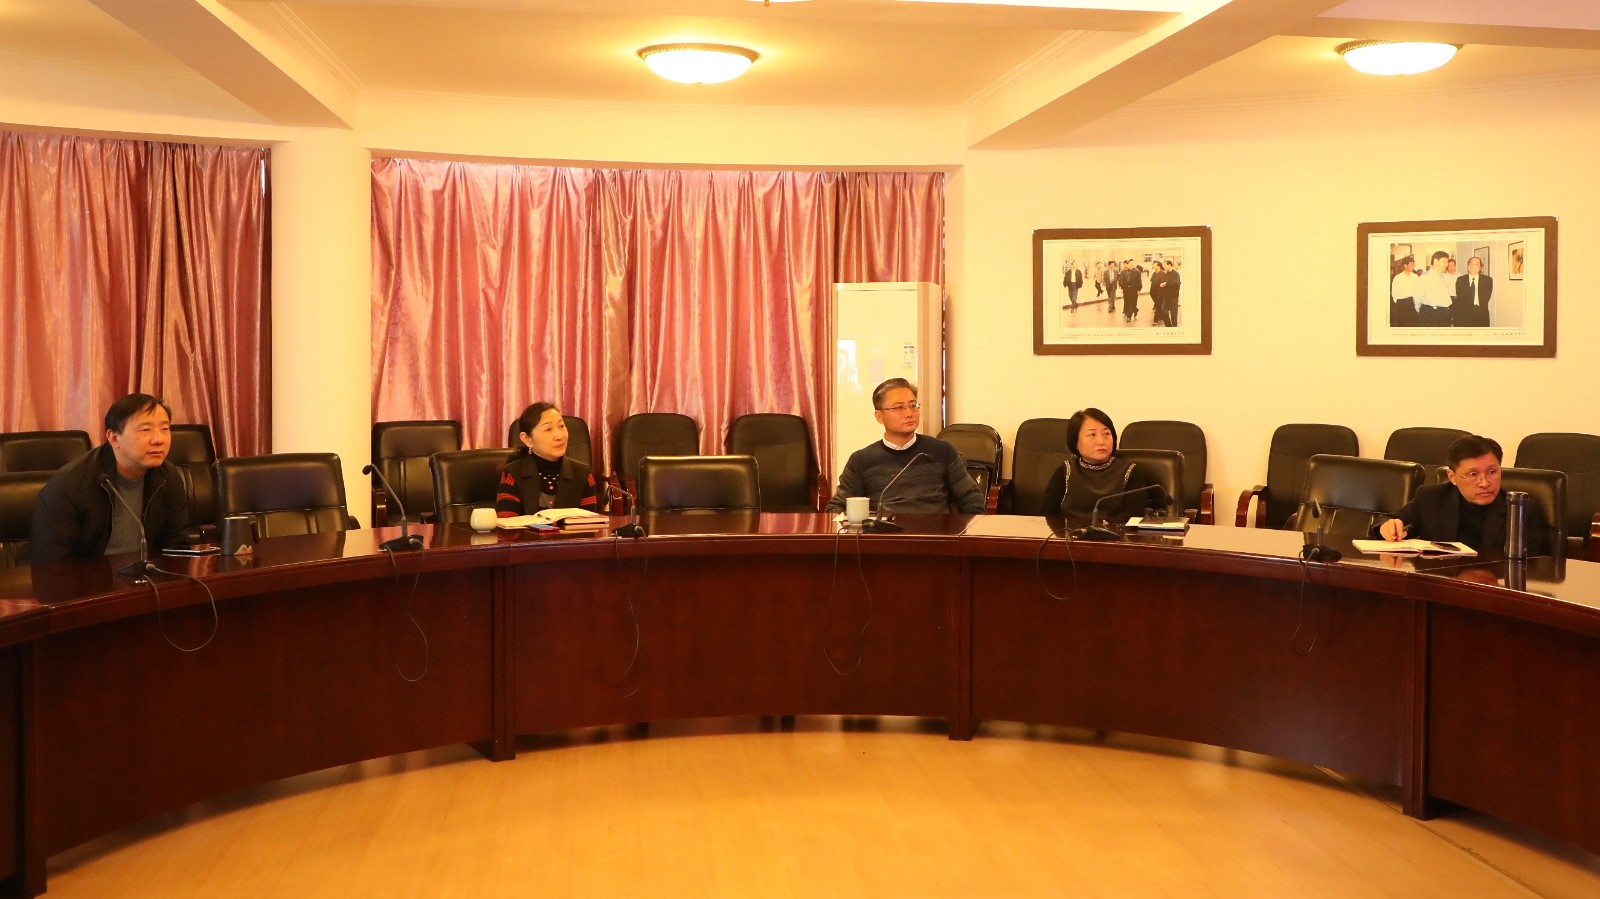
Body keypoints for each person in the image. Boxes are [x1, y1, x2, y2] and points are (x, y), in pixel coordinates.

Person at [29, 393, 190, 563]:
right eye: (145, 430)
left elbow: (177, 546)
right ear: (113, 438)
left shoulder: (168, 477)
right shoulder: (70, 484)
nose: (158, 439)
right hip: (86, 578)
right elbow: (52, 564)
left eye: (165, 429)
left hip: (147, 576)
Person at [824, 378, 985, 516]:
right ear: (879, 416)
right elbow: (835, 507)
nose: (909, 413)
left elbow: (971, 498)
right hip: (883, 537)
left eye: (913, 405)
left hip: (934, 536)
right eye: (899, 407)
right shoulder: (861, 460)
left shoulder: (942, 451)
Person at [1372, 434, 1542, 555]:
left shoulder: (1519, 509)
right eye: (1473, 474)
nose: (1484, 482)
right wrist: (1388, 527)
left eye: (1492, 472)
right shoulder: (1431, 497)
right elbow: (1388, 521)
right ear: (1452, 477)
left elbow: (1530, 565)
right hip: (1441, 585)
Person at [1037, 407, 1159, 521]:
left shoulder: (1131, 472)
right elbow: (1047, 515)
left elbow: (1133, 518)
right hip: (1069, 535)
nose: (1101, 441)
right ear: (1075, 442)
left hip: (1115, 535)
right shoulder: (1065, 471)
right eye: (1092, 435)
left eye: (1107, 434)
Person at [497, 402, 599, 516]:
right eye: (548, 429)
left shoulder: (584, 474)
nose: (559, 436)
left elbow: (589, 523)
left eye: (561, 426)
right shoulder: (512, 474)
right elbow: (507, 523)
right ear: (527, 439)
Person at [1414, 250, 1454, 326]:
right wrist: (1422, 312)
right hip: (1432, 314)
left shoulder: (1443, 276)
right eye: (1444, 262)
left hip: (1444, 313)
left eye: (1447, 262)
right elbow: (1417, 298)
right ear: (1435, 261)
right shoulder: (1425, 277)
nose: (1447, 264)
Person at [1453, 255, 1493, 327]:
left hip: (1481, 314)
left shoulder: (1487, 280)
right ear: (1468, 266)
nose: (1473, 266)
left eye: (1476, 264)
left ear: (1480, 267)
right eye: (1471, 264)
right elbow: (1461, 298)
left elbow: (1486, 298)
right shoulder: (1460, 280)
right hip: (1464, 314)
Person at [1390, 255, 1419, 327]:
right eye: (1411, 265)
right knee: (1402, 324)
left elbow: (1418, 290)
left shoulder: (1415, 277)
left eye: (1414, 265)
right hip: (1401, 304)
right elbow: (1394, 293)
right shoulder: (1398, 278)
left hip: (1412, 302)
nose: (1413, 267)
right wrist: (1398, 303)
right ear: (1405, 266)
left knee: (1413, 324)